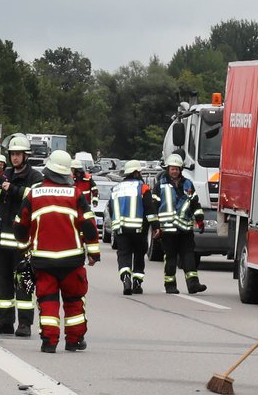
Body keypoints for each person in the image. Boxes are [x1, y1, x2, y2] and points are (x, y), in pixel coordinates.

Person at [19, 150, 101, 352]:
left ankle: (49, 341)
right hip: (72, 260)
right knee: (73, 300)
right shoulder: (75, 194)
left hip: (43, 260)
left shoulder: (34, 193)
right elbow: (89, 225)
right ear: (67, 173)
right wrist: (93, 253)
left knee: (47, 300)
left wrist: (24, 248)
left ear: (47, 170)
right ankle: (74, 341)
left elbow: (20, 225)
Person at [0, 136, 40, 336]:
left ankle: (24, 324)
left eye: (18, 154)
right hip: (2, 242)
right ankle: (5, 322)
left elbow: (36, 198)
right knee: (2, 281)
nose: (15, 158)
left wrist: (13, 189)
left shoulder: (35, 177)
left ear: (25, 156)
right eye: (12, 154)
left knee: (24, 282)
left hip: (23, 243)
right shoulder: (4, 174)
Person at [151, 154, 206, 294]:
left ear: (180, 169)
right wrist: (155, 227)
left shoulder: (188, 184)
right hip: (168, 230)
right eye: (172, 169)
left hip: (185, 229)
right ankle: (170, 285)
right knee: (170, 258)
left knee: (188, 256)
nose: (174, 171)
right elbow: (153, 207)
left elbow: (195, 204)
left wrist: (200, 220)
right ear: (168, 169)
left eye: (176, 169)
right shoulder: (160, 185)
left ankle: (193, 284)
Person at [107, 160, 152, 294]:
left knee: (124, 255)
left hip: (121, 229)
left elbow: (111, 209)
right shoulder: (143, 187)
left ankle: (126, 277)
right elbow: (149, 208)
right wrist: (155, 226)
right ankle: (137, 283)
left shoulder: (116, 188)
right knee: (139, 255)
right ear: (137, 173)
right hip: (139, 229)